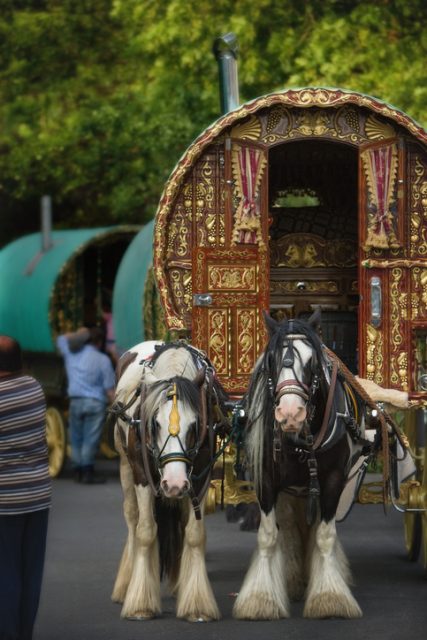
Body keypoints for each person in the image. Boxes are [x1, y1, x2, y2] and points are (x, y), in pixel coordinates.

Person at [0, 335, 52, 640]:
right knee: (30, 571)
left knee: (6, 571)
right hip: (37, 497)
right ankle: (23, 632)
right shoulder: (34, 388)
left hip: (5, 500)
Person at [56, 326, 115, 484]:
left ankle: (78, 470)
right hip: (96, 403)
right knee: (91, 437)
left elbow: (61, 339)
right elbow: (109, 389)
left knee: (76, 436)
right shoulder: (103, 359)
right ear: (99, 342)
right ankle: (87, 472)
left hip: (75, 400)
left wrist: (79, 333)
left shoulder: (71, 355)